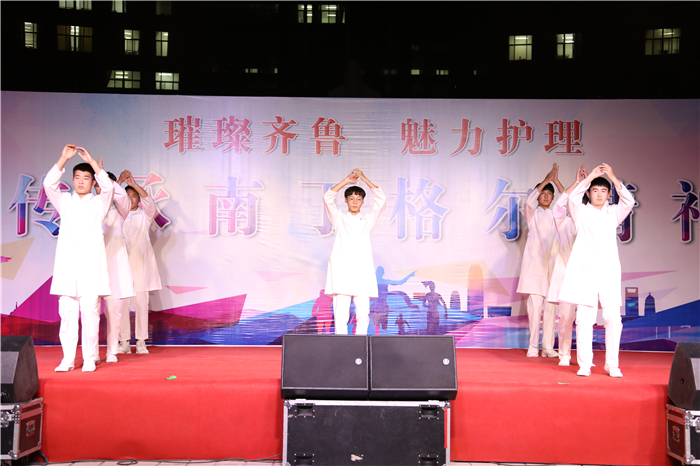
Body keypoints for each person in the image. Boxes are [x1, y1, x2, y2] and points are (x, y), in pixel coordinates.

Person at [558, 164, 635, 378]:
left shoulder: (613, 213)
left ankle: (612, 364)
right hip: (585, 273)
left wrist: (612, 176)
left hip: (608, 273)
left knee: (613, 319)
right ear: (589, 193)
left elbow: (629, 201)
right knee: (584, 320)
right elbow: (573, 198)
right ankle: (585, 364)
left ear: (609, 194)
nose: (599, 194)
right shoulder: (581, 212)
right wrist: (591, 176)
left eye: (603, 191)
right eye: (595, 190)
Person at [44, 144, 114, 372]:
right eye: (77, 177)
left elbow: (108, 187)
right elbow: (49, 184)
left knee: (90, 315)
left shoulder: (99, 203)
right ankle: (67, 359)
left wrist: (93, 163)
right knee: (67, 315)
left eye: (86, 178)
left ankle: (90, 358)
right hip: (67, 269)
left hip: (91, 269)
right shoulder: (64, 201)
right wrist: (63, 158)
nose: (81, 181)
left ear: (93, 182)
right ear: (73, 180)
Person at [323, 169, 386, 335]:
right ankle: (341, 345)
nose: (355, 202)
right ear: (345, 200)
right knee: (341, 314)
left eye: (358, 199)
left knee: (363, 314)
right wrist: (346, 181)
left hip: (362, 272)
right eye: (351, 198)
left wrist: (364, 179)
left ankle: (361, 344)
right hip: (342, 270)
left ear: (363, 201)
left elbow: (381, 200)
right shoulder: (339, 218)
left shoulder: (368, 220)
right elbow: (327, 198)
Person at [516, 163, 564, 358]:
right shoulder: (533, 214)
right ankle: (533, 346)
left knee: (551, 310)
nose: (546, 196)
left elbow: (569, 201)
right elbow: (529, 201)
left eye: (549, 193)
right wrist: (546, 180)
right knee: (535, 309)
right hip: (535, 270)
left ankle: (548, 347)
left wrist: (555, 181)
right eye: (543, 193)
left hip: (552, 269)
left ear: (553, 198)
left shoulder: (557, 215)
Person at [546, 165, 587, 366]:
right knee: (566, 317)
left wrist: (588, 183)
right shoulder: (564, 222)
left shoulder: (589, 221)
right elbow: (559, 206)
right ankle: (564, 354)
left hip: (586, 274)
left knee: (586, 319)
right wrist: (578, 183)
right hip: (567, 275)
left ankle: (585, 357)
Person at [94, 168, 135, 363]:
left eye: (105, 185)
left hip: (114, 269)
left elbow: (119, 195)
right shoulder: (90, 209)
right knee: (92, 313)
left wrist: (106, 177)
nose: (102, 188)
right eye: (98, 185)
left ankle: (111, 351)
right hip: (93, 267)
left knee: (113, 312)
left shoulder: (120, 211)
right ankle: (92, 352)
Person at [119, 173, 162, 355]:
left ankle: (141, 341)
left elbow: (150, 204)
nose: (131, 199)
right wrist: (119, 184)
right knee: (121, 305)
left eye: (134, 196)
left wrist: (134, 185)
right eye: (127, 196)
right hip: (121, 266)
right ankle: (123, 341)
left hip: (141, 267)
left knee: (141, 304)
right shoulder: (117, 215)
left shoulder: (145, 216)